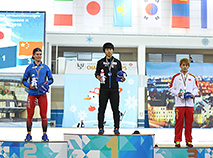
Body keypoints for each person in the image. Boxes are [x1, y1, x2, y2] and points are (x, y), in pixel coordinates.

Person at [22, 48, 54, 142]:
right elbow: (24, 80)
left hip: (42, 95)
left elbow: (51, 79)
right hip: (31, 94)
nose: (39, 56)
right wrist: (29, 85)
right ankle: (29, 134)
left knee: (43, 115)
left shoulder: (45, 67)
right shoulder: (29, 68)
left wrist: (46, 83)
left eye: (40, 54)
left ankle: (44, 135)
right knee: (29, 115)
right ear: (33, 56)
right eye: (37, 54)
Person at [95, 42, 126, 135]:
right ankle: (100, 128)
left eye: (111, 49)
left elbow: (120, 75)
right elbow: (96, 74)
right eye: (107, 49)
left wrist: (123, 79)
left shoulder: (118, 62)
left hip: (114, 90)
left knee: (115, 109)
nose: (109, 51)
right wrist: (98, 77)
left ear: (113, 50)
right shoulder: (100, 62)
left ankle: (116, 128)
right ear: (104, 51)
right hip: (104, 89)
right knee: (101, 109)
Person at [169, 58, 198, 148]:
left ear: (188, 66)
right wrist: (177, 93)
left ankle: (189, 141)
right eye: (183, 65)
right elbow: (171, 88)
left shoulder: (192, 77)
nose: (185, 67)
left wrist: (192, 94)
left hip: (189, 104)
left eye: (186, 65)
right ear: (180, 66)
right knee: (179, 123)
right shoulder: (176, 77)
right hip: (179, 104)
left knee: (189, 124)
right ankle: (177, 141)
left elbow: (196, 88)